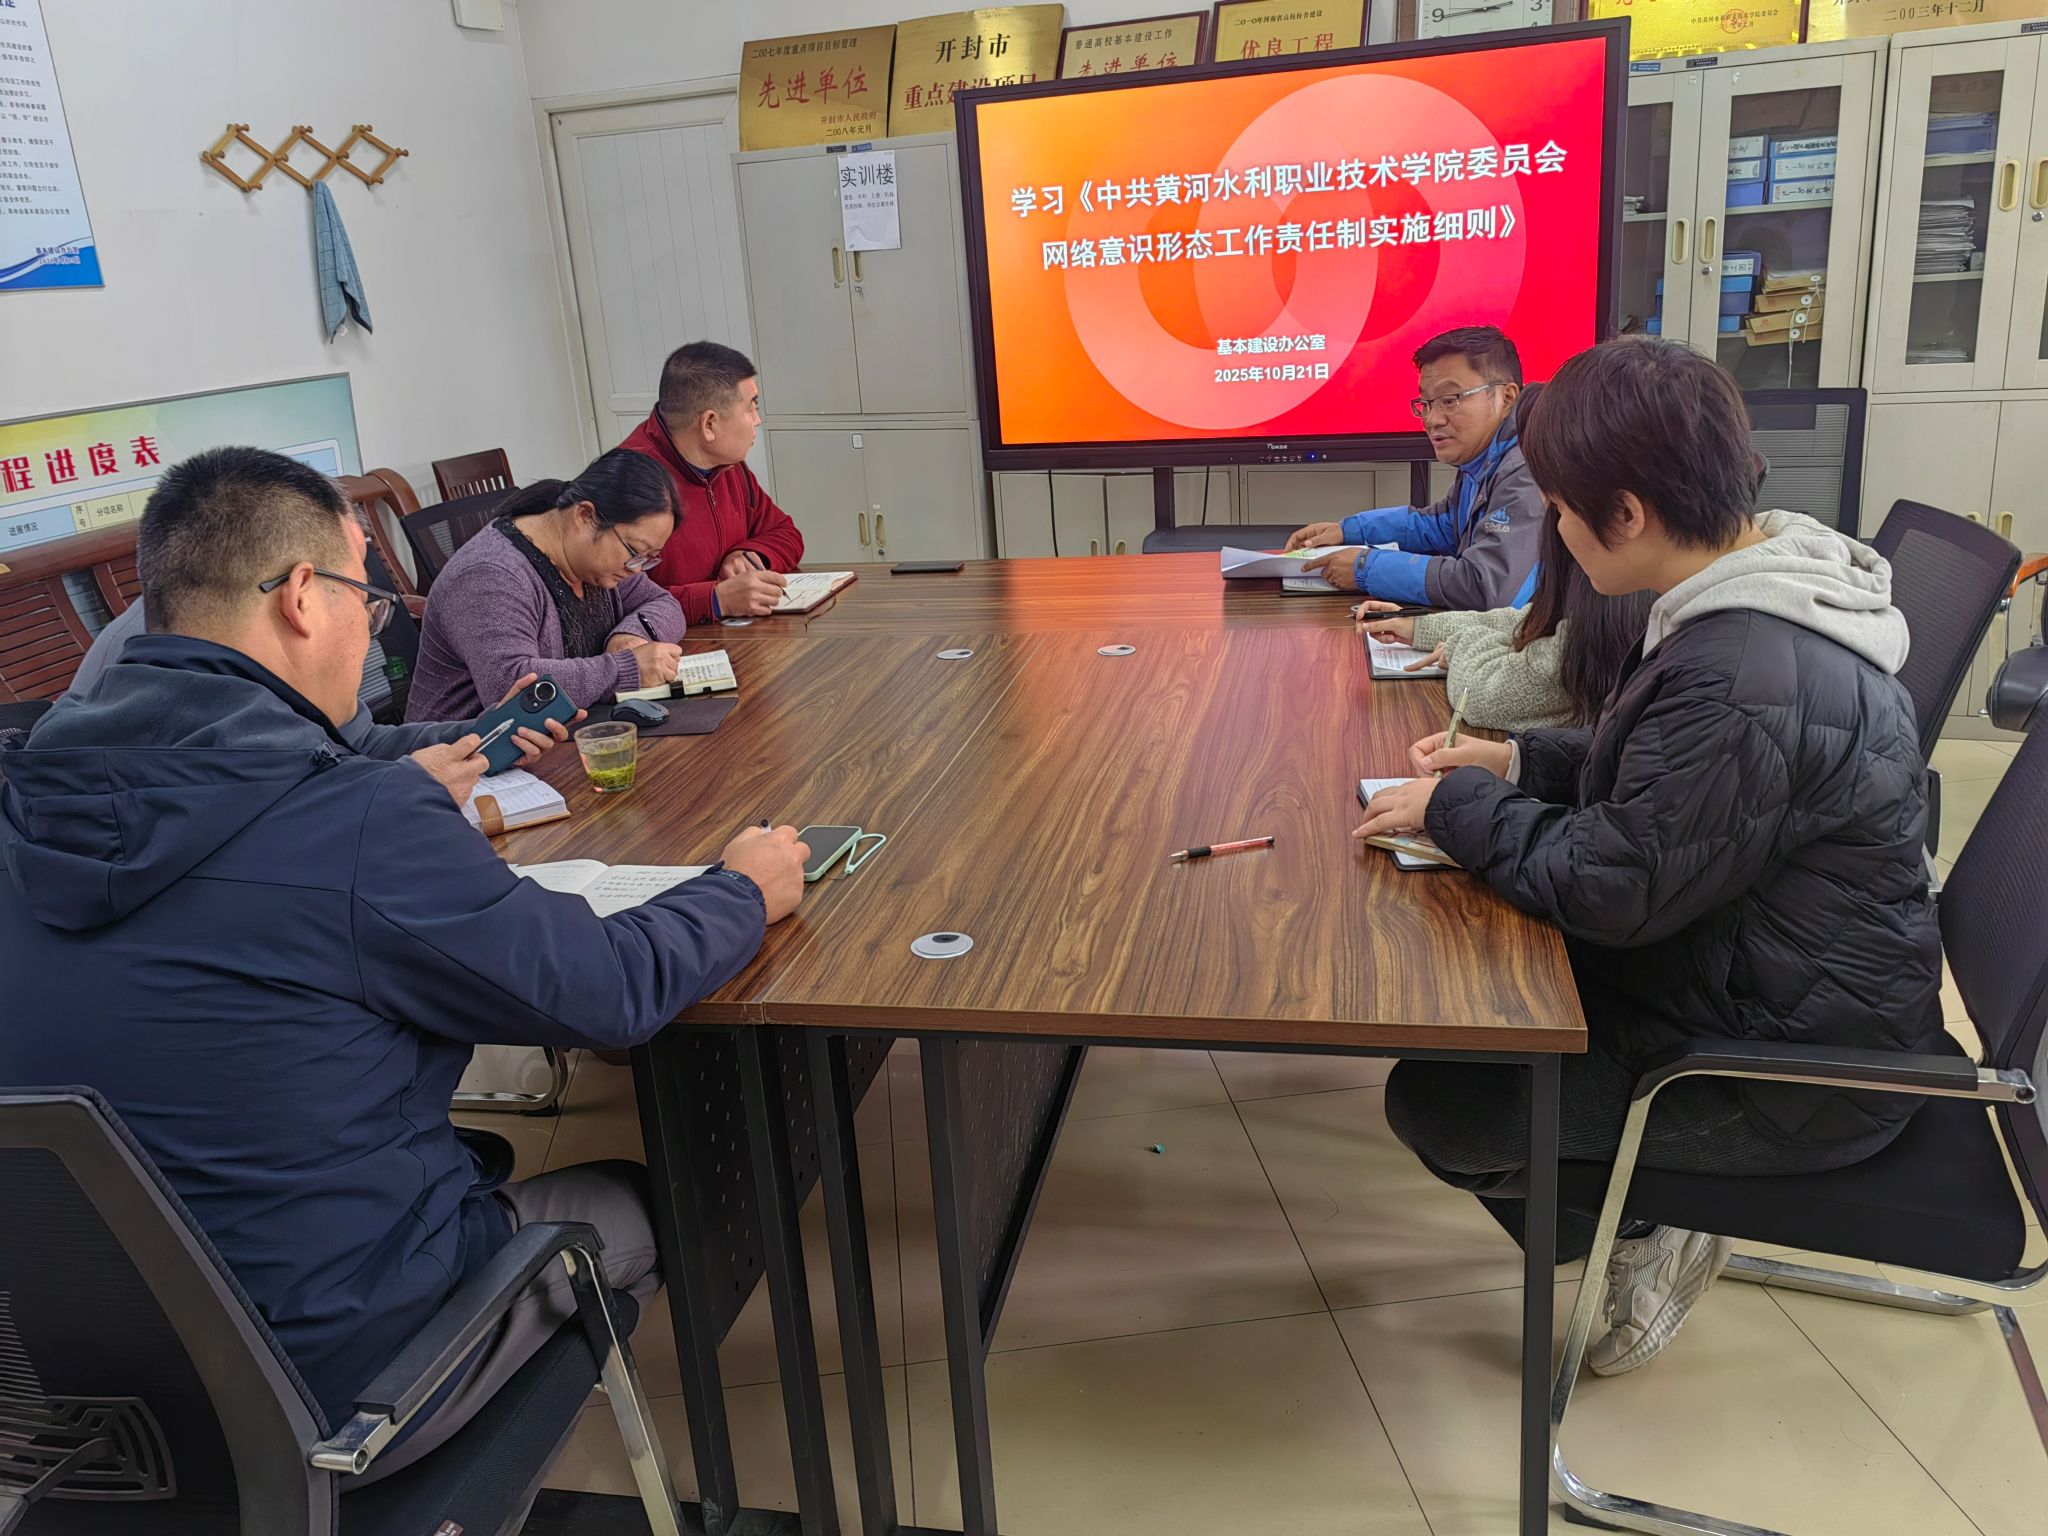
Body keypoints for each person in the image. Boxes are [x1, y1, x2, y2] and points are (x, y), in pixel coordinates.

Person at [0, 446, 809, 1479]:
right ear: (301, 598)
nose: (375, 629)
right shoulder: (356, 824)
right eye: (367, 598)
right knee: (634, 1199)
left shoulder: (29, 799)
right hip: (331, 1400)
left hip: (69, 1393)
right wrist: (739, 890)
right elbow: (608, 993)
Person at [1354, 337, 1941, 1377]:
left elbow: (1610, 885)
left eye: (1561, 511)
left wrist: (1461, 806)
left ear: (1624, 513)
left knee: (1446, 1105)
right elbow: (1668, 774)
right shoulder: (1747, 591)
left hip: (1790, 1068)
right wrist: (1519, 759)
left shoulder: (1745, 668)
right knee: (1482, 1006)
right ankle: (1639, 1209)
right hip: (1758, 975)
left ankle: (1647, 1227)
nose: (1555, 532)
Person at [406, 450, 687, 721]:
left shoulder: (597, 565)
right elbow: (512, 687)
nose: (636, 568)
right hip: (469, 748)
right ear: (585, 516)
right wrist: (623, 670)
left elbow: (664, 604)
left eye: (648, 558)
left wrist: (629, 635)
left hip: (564, 732)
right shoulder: (491, 574)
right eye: (635, 551)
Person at [1285, 325, 1544, 610]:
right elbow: (1442, 526)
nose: (1432, 419)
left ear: (1506, 398)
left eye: (1450, 400)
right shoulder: (1481, 459)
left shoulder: (1527, 468)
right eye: (1426, 404)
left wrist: (1366, 567)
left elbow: (1485, 586)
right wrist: (1348, 531)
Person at [1354, 504, 1655, 732]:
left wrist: (1367, 566)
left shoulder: (1607, 615)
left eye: (1559, 507)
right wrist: (1422, 627)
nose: (1554, 521)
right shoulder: (1479, 473)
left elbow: (1482, 586)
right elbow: (1532, 619)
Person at [619, 340, 806, 623]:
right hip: (671, 647)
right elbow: (612, 604)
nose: (757, 420)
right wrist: (715, 599)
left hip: (740, 637)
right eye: (751, 408)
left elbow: (785, 532)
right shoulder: (629, 482)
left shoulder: (728, 466)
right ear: (709, 424)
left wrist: (750, 555)